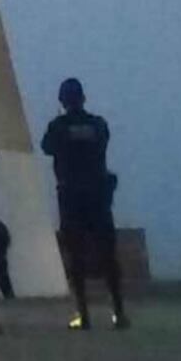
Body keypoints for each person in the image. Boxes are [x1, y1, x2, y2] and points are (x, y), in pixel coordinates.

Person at [40, 77, 130, 330]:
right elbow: (103, 143)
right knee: (107, 254)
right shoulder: (97, 124)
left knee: (75, 255)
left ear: (62, 100)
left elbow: (47, 147)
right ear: (83, 98)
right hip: (98, 194)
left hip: (72, 196)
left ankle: (83, 314)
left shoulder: (58, 126)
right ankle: (118, 313)